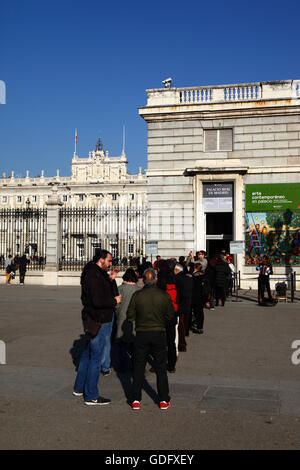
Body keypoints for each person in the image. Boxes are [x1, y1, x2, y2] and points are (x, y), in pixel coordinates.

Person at [73, 249, 122, 405]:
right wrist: (115, 301)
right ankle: (91, 395)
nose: (110, 264)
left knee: (87, 352)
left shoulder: (94, 272)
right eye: (109, 261)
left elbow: (100, 288)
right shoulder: (93, 275)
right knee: (96, 357)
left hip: (93, 318)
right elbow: (98, 300)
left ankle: (79, 388)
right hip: (98, 319)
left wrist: (110, 278)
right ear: (101, 260)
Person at [127, 268, 175, 410]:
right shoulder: (163, 295)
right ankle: (163, 399)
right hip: (158, 332)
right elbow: (170, 316)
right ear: (155, 279)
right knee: (160, 366)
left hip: (142, 332)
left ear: (143, 279)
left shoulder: (137, 295)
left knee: (138, 366)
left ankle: (136, 399)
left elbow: (130, 316)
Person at [115, 268, 141, 372]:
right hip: (135, 319)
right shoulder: (138, 290)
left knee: (122, 344)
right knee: (134, 344)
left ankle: (122, 365)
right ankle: (135, 365)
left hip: (122, 317)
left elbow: (116, 305)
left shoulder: (120, 288)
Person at [156, 259, 178, 373]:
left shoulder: (160, 279)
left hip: (160, 314)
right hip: (172, 312)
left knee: (159, 342)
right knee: (171, 341)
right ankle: (172, 365)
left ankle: (158, 364)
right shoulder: (174, 277)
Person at [174, 263, 193, 351]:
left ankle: (182, 344)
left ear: (177, 270)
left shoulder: (176, 279)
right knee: (185, 323)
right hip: (188, 303)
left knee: (180, 325)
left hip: (180, 304)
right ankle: (185, 335)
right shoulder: (189, 279)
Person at [191, 261, 210, 334]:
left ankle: (195, 325)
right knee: (200, 312)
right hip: (202, 296)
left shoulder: (194, 276)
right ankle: (200, 327)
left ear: (195, 268)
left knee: (195, 312)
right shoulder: (204, 276)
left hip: (195, 296)